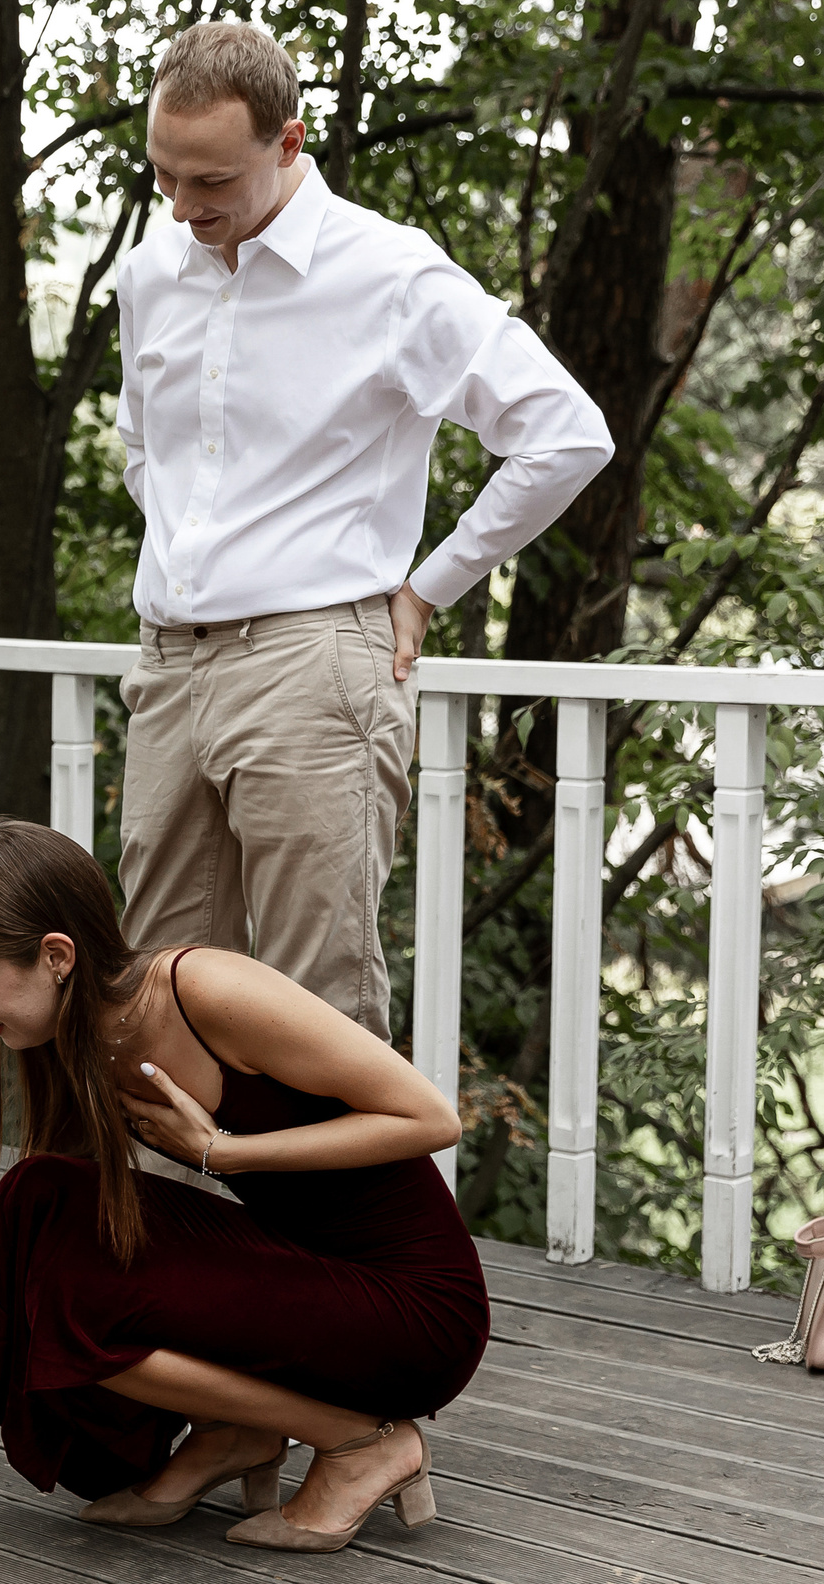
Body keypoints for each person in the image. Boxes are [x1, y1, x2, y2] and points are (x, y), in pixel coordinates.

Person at [0, 820, 489, 1554]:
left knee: (80, 1301)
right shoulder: (77, 1036)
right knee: (42, 1200)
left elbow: (430, 1116)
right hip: (304, 1273)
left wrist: (223, 1153)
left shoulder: (206, 990)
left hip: (415, 1312)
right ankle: (243, 1429)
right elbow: (30, 1248)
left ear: (56, 954)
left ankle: (360, 1440)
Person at [115, 21, 613, 1038]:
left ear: (288, 144)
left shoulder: (390, 274)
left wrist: (429, 585)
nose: (181, 205)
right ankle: (172, 1206)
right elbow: (143, 446)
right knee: (152, 991)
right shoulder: (150, 270)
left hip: (311, 664)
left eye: (209, 181)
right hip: (168, 668)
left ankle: (319, 1208)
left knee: (313, 1006)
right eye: (163, 174)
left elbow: (565, 435)